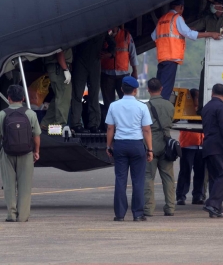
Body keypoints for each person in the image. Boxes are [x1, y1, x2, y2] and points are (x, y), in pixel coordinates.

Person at [152, 0, 222, 102]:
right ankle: (161, 111)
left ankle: (155, 109)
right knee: (165, 89)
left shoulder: (162, 19)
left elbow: (153, 36)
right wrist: (211, 34)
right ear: (181, 7)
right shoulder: (177, 18)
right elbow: (189, 33)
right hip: (171, 58)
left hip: (162, 58)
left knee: (159, 88)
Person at [105, 76, 153, 221]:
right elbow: (146, 130)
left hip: (120, 144)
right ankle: (138, 214)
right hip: (137, 145)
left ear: (121, 89)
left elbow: (110, 128)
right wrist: (150, 149)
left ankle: (119, 214)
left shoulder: (114, 105)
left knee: (120, 179)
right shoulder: (142, 106)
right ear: (135, 90)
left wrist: (109, 145)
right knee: (138, 180)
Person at [189, 0, 223, 113]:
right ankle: (201, 109)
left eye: (215, 4)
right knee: (204, 79)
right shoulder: (208, 19)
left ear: (221, 6)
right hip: (210, 56)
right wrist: (186, 29)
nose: (212, 6)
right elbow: (193, 29)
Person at [0, 85, 41, 222]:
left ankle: (11, 215)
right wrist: (36, 151)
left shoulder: (2, 114)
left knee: (9, 185)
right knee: (25, 185)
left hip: (7, 153)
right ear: (23, 98)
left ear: (9, 98)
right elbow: (36, 135)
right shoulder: (30, 114)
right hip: (26, 153)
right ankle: (23, 216)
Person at [201, 83, 223, 218]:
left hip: (208, 145)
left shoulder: (206, 107)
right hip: (219, 146)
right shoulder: (221, 107)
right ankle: (213, 203)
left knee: (215, 178)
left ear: (212, 93)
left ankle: (216, 209)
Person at [143, 78, 176, 217]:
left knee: (148, 177)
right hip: (166, 142)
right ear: (161, 89)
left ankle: (148, 208)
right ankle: (170, 208)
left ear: (148, 90)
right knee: (168, 177)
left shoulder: (146, 106)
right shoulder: (170, 105)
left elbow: (144, 127)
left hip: (151, 142)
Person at [69, 34, 107, 133]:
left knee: (93, 95)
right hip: (81, 61)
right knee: (77, 94)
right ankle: (76, 124)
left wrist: (109, 53)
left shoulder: (101, 30)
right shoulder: (82, 29)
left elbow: (112, 43)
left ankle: (93, 124)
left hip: (94, 62)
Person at [176, 89, 205, 205]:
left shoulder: (203, 110)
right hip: (188, 144)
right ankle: (181, 196)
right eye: (196, 97)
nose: (198, 100)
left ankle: (197, 196)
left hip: (201, 145)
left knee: (200, 173)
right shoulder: (185, 110)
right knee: (185, 172)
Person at [101, 25, 139, 114]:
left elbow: (133, 54)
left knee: (126, 100)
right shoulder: (104, 35)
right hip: (107, 73)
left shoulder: (126, 35)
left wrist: (135, 70)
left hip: (123, 74)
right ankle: (110, 126)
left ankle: (126, 122)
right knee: (108, 103)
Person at [40, 49, 72, 130]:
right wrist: (65, 69)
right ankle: (59, 126)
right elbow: (59, 50)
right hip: (59, 67)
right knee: (63, 97)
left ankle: (46, 123)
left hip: (57, 66)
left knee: (59, 97)